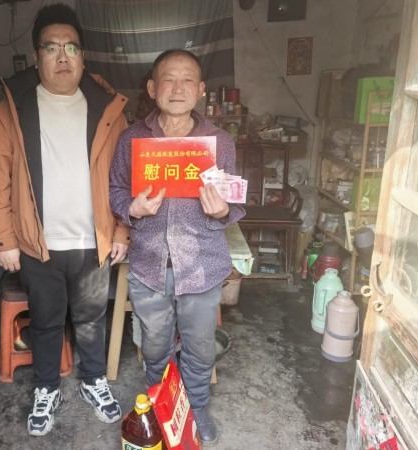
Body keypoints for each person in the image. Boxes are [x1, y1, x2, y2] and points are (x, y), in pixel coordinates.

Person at [0, 3, 129, 436]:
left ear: (83, 56)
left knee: (91, 318)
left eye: (71, 47)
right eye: (51, 48)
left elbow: (125, 175)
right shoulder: (13, 109)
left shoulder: (108, 109)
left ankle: (93, 379)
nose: (63, 57)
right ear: (36, 56)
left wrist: (122, 230)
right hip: (37, 244)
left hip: (94, 241)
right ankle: (47, 387)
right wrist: (4, 239)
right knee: (45, 321)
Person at [109, 49, 245, 445]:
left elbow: (235, 197)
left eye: (188, 80)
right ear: (153, 88)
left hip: (202, 264)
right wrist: (131, 208)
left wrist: (223, 210)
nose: (178, 87)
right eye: (168, 78)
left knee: (200, 346)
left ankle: (196, 407)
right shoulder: (132, 139)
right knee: (155, 346)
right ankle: (160, 405)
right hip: (149, 264)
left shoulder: (219, 142)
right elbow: (116, 189)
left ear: (201, 90)